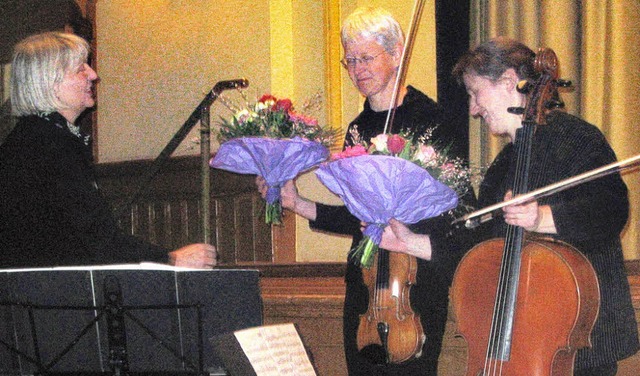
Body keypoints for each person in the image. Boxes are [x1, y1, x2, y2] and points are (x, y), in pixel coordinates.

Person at [257, 7, 474, 375]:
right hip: (364, 286)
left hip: (413, 284)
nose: (358, 70)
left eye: (367, 58)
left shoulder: (433, 121)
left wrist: (408, 232)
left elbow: (459, 209)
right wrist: (296, 202)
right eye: (350, 61)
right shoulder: (358, 128)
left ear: (397, 53)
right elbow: (358, 218)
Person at [444, 37, 639, 375]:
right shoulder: (505, 164)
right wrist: (411, 243)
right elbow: (476, 247)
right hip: (516, 340)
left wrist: (541, 217)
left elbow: (611, 210)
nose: (473, 109)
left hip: (579, 343)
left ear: (507, 82)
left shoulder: (577, 138)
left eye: (476, 93)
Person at [0, 31, 217, 269]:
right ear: (49, 82)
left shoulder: (32, 137)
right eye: (80, 68)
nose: (93, 75)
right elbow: (95, 239)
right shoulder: (50, 145)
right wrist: (172, 259)